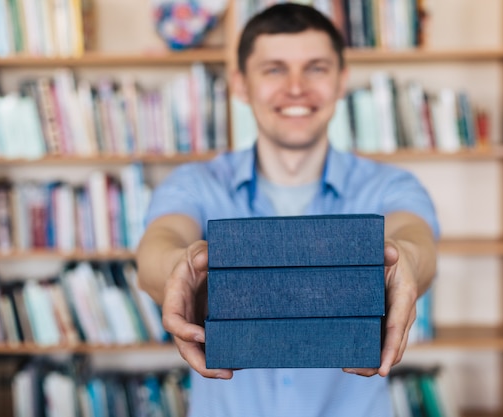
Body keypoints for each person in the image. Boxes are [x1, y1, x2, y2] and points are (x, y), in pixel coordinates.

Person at [137, 3, 439, 416]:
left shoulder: (390, 185)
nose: (296, 88)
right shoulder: (193, 183)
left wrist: (406, 261)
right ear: (241, 85)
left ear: (340, 81)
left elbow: (417, 241)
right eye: (274, 69)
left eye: (315, 68)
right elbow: (160, 242)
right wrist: (178, 268)